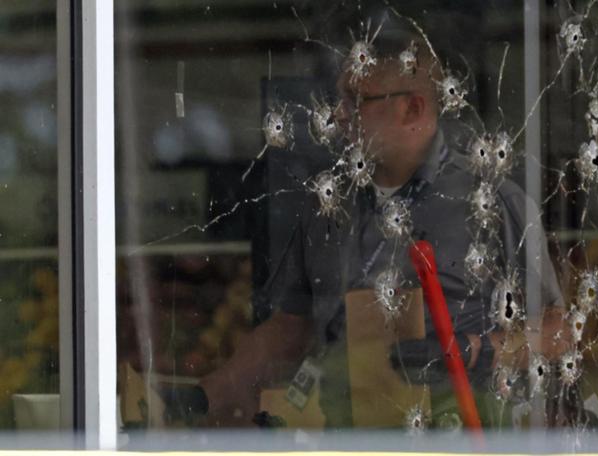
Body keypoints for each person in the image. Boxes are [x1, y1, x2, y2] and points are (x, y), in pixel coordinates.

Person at [168, 25, 574, 429]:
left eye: (357, 100)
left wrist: (475, 351)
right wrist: (204, 396)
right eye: (339, 98)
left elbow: (559, 332)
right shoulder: (327, 205)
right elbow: (292, 327)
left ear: (413, 109)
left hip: (456, 433)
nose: (339, 114)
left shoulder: (491, 201)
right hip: (345, 431)